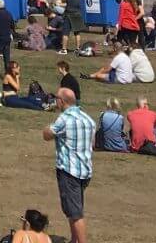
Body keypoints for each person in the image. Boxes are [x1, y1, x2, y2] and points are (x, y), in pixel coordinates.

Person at [45, 86, 96, 243]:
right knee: (74, 208)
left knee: (75, 214)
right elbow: (92, 143)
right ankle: (74, 239)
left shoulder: (64, 119)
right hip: (85, 170)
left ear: (61, 101)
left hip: (69, 171)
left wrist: (47, 127)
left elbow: (47, 135)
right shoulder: (88, 119)